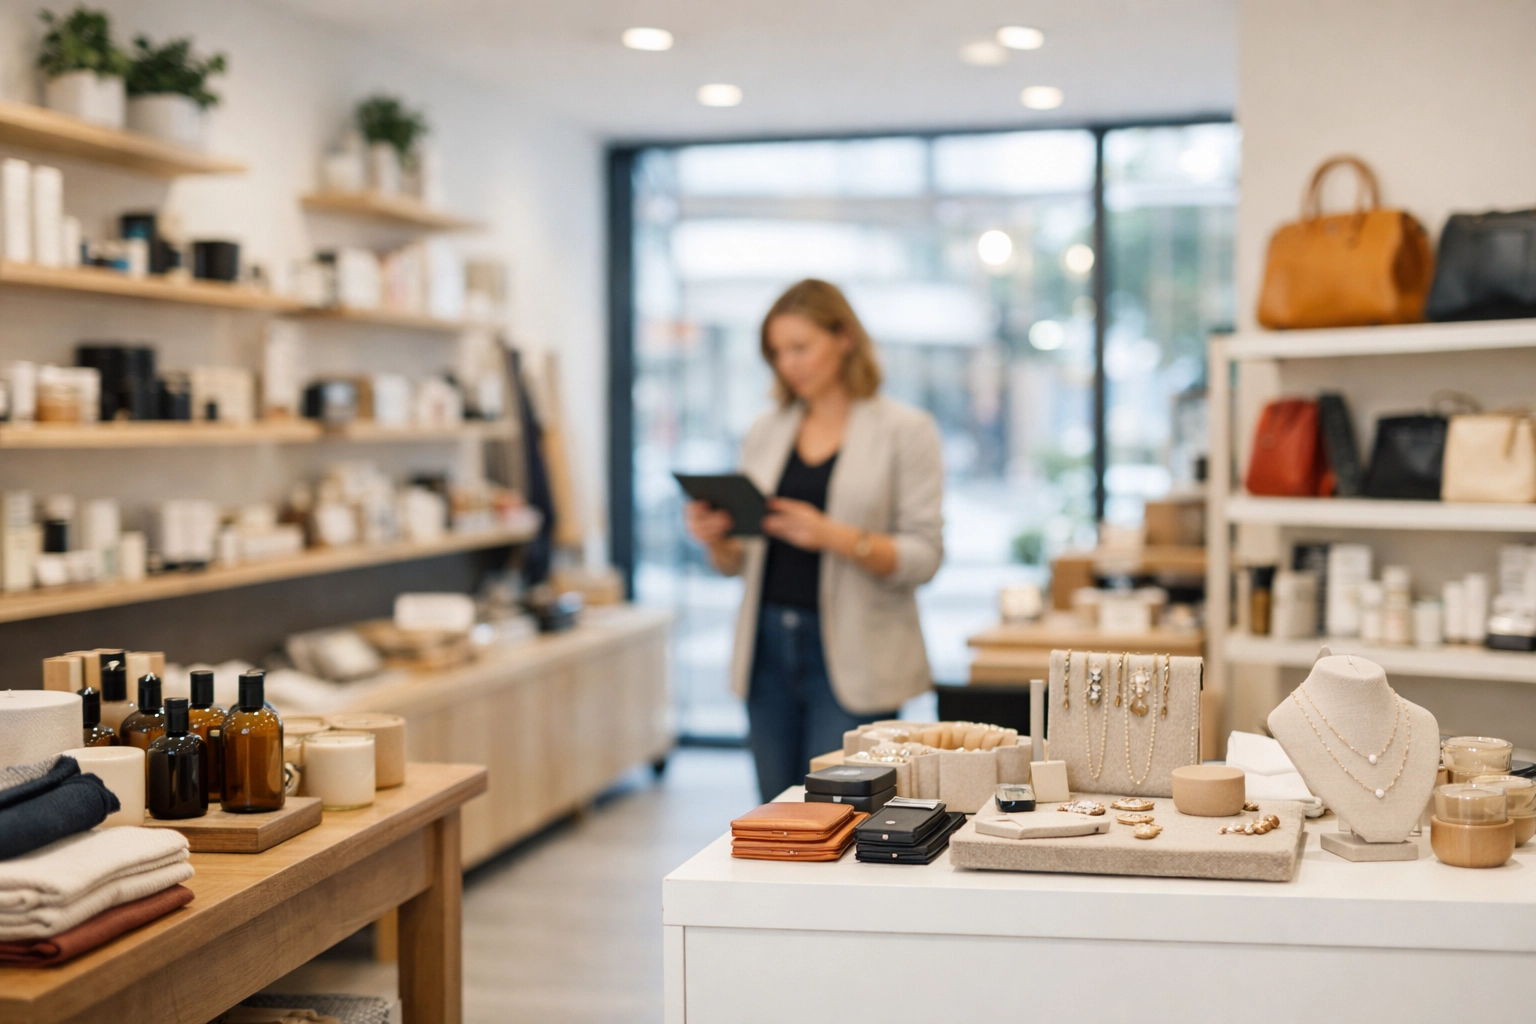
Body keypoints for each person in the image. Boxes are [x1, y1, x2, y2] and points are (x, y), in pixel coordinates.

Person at [685, 279, 945, 801]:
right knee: (778, 820)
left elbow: (925, 556)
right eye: (777, 353)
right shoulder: (766, 430)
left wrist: (832, 535)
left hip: (856, 655)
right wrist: (717, 538)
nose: (788, 365)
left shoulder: (904, 430)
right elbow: (738, 562)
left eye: (800, 347)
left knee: (844, 817)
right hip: (767, 649)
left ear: (844, 337)